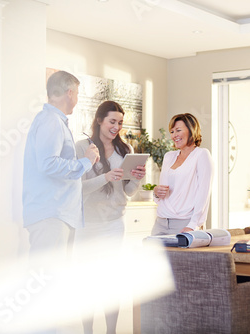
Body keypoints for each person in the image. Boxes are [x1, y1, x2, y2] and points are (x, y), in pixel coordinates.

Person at [74, 100, 146, 334]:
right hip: (88, 226)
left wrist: (137, 177)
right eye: (112, 122)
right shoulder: (82, 147)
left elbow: (128, 192)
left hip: (114, 225)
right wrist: (105, 177)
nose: (116, 127)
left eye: (120, 123)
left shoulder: (125, 150)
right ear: (99, 120)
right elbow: (78, 189)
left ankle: (111, 332)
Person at [22, 70, 99, 260]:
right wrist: (86, 161)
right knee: (47, 279)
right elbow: (48, 164)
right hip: (52, 215)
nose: (77, 99)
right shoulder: (51, 121)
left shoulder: (52, 121)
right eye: (78, 94)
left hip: (57, 214)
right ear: (70, 93)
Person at [151, 113, 214, 235]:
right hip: (161, 222)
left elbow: (204, 194)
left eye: (178, 130)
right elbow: (163, 193)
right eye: (172, 131)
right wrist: (156, 192)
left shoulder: (201, 155)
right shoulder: (169, 156)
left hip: (184, 223)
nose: (174, 135)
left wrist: (193, 225)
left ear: (191, 130)